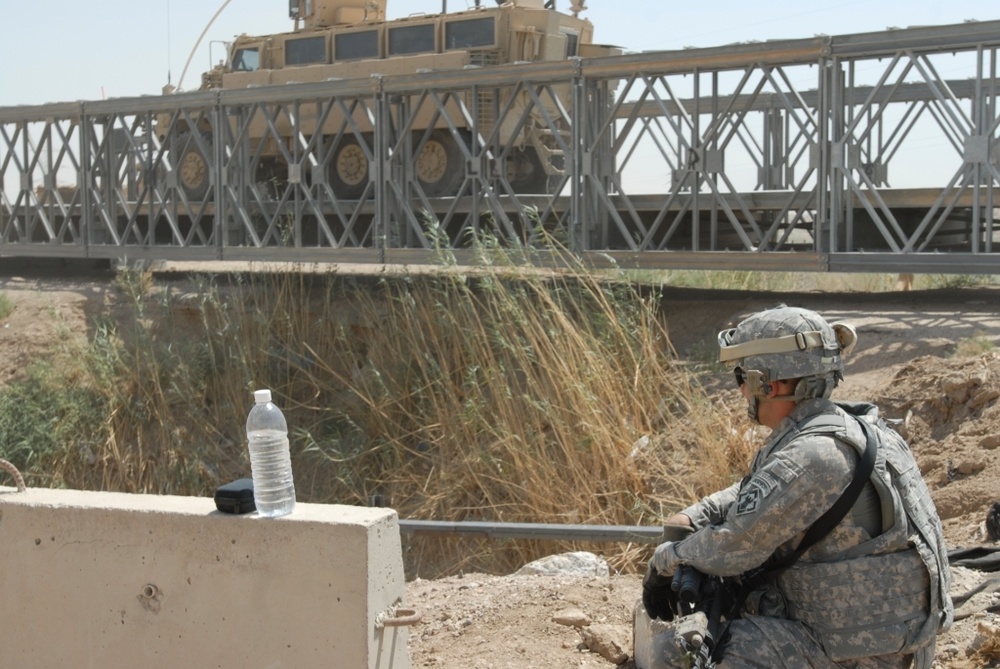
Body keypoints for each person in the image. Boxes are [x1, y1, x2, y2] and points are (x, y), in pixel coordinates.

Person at [637, 305, 953, 669]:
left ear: (768, 383)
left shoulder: (812, 456)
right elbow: (757, 492)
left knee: (681, 654)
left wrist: (665, 562)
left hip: (860, 654)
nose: (740, 390)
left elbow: (732, 548)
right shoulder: (852, 428)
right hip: (884, 639)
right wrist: (695, 516)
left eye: (742, 376)